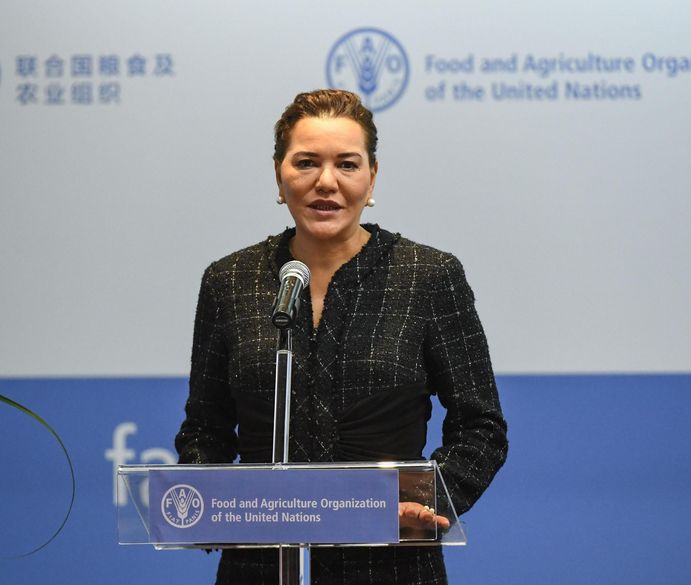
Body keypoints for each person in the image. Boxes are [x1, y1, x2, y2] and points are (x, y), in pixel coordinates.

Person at [175, 89, 508, 585]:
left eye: (347, 165)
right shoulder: (230, 281)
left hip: (391, 562)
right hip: (259, 565)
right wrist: (211, 504)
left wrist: (424, 501)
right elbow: (205, 427)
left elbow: (481, 425)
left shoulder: (427, 276)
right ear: (278, 174)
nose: (325, 182)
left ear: (372, 177)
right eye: (306, 162)